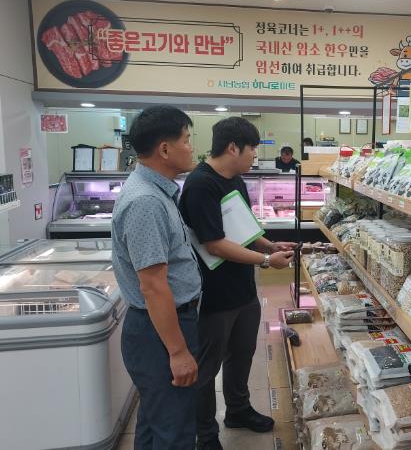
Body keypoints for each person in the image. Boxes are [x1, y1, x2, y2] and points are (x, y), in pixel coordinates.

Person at [179, 117, 296, 450]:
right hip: (213, 293)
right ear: (233, 147)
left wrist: (269, 245)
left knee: (242, 353)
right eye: (252, 149)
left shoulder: (237, 181)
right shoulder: (201, 185)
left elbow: (244, 228)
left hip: (243, 288)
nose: (255, 155)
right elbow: (215, 244)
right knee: (208, 367)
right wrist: (266, 261)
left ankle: (238, 410)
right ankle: (206, 435)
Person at [111, 105, 201, 450]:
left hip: (161, 326)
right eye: (187, 140)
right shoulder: (146, 202)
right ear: (165, 149)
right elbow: (153, 286)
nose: (191, 148)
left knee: (156, 421)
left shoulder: (156, 192)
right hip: (159, 331)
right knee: (174, 431)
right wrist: (178, 352)